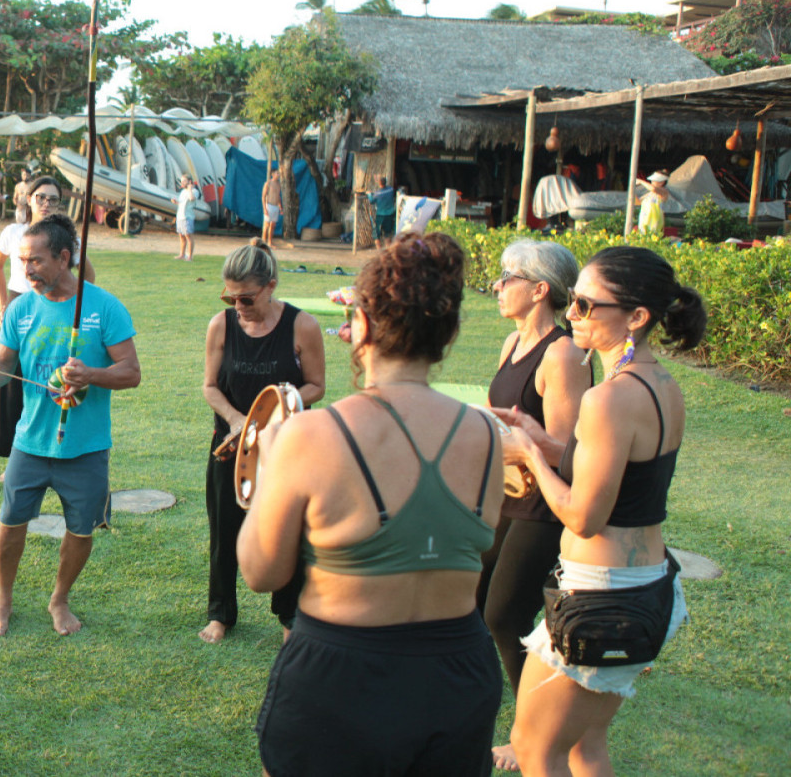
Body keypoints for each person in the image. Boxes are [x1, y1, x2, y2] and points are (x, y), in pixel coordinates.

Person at [238, 232, 504, 776]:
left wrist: (267, 462)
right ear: (448, 333)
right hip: (459, 674)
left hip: (343, 673)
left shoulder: (311, 436)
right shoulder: (487, 434)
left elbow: (261, 572)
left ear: (358, 325)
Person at [499, 247, 706, 777]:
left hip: (600, 596)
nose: (572, 314)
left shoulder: (609, 398)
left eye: (588, 306)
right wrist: (537, 437)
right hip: (645, 586)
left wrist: (525, 454)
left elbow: (584, 516)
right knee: (584, 745)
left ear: (636, 317)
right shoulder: (663, 386)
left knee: (534, 747)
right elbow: (626, 482)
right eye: (574, 301)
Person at [0, 214, 140, 636]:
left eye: (36, 261)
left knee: (80, 529)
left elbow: (131, 372)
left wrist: (90, 375)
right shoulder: (21, 308)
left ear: (64, 257)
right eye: (23, 261)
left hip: (86, 446)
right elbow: (5, 367)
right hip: (30, 441)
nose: (27, 270)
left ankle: (59, 599)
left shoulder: (103, 307)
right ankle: (4, 598)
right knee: (10, 523)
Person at [479, 240, 591, 772]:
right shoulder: (510, 343)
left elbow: (570, 453)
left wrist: (523, 440)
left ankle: (533, 736)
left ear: (539, 288)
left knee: (504, 614)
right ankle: (493, 711)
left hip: (543, 505)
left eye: (508, 277)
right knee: (476, 601)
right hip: (502, 497)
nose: (499, 286)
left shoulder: (563, 355)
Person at [199, 239, 325, 643]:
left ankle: (289, 617)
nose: (239, 307)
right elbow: (209, 387)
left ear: (270, 286)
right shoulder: (220, 325)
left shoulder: (301, 325)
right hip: (232, 444)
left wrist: (274, 409)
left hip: (285, 449)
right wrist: (239, 420)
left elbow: (316, 386)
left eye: (247, 299)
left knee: (288, 532)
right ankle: (220, 614)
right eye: (231, 297)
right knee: (224, 532)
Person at [0, 178, 97, 471]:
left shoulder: (66, 242)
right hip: (22, 311)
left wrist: (72, 309)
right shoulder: (14, 232)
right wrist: (4, 303)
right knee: (14, 382)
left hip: (53, 314)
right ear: (28, 199)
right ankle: (14, 459)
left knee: (51, 382)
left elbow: (88, 275)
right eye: (41, 197)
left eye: (53, 199)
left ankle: (56, 454)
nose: (46, 203)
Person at [638, 170, 671, 236]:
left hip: (655, 220)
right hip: (645, 219)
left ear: (662, 182)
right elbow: (639, 201)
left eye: (655, 180)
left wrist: (641, 181)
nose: (652, 181)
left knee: (653, 236)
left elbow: (653, 188)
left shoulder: (664, 191)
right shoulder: (650, 194)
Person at [369, 174, 398, 249]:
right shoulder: (391, 190)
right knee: (387, 233)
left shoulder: (377, 193)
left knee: (376, 232)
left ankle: (379, 249)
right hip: (390, 214)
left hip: (380, 215)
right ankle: (388, 249)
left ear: (379, 183)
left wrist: (369, 194)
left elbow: (371, 201)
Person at [176, 175, 199, 261]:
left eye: (184, 181)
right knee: (181, 236)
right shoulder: (182, 192)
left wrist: (189, 188)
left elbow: (192, 198)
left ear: (189, 181)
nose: (182, 183)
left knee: (188, 236)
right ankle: (182, 254)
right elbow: (181, 203)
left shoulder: (194, 191)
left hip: (187, 217)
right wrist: (176, 202)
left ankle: (190, 256)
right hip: (180, 216)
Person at [262, 167, 282, 246]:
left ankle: (270, 242)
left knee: (272, 225)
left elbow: (278, 196)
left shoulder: (278, 184)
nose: (279, 175)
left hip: (275, 206)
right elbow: (263, 196)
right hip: (269, 205)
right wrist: (265, 209)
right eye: (277, 173)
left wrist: (280, 206)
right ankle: (263, 241)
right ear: (273, 174)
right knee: (266, 225)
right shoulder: (268, 183)